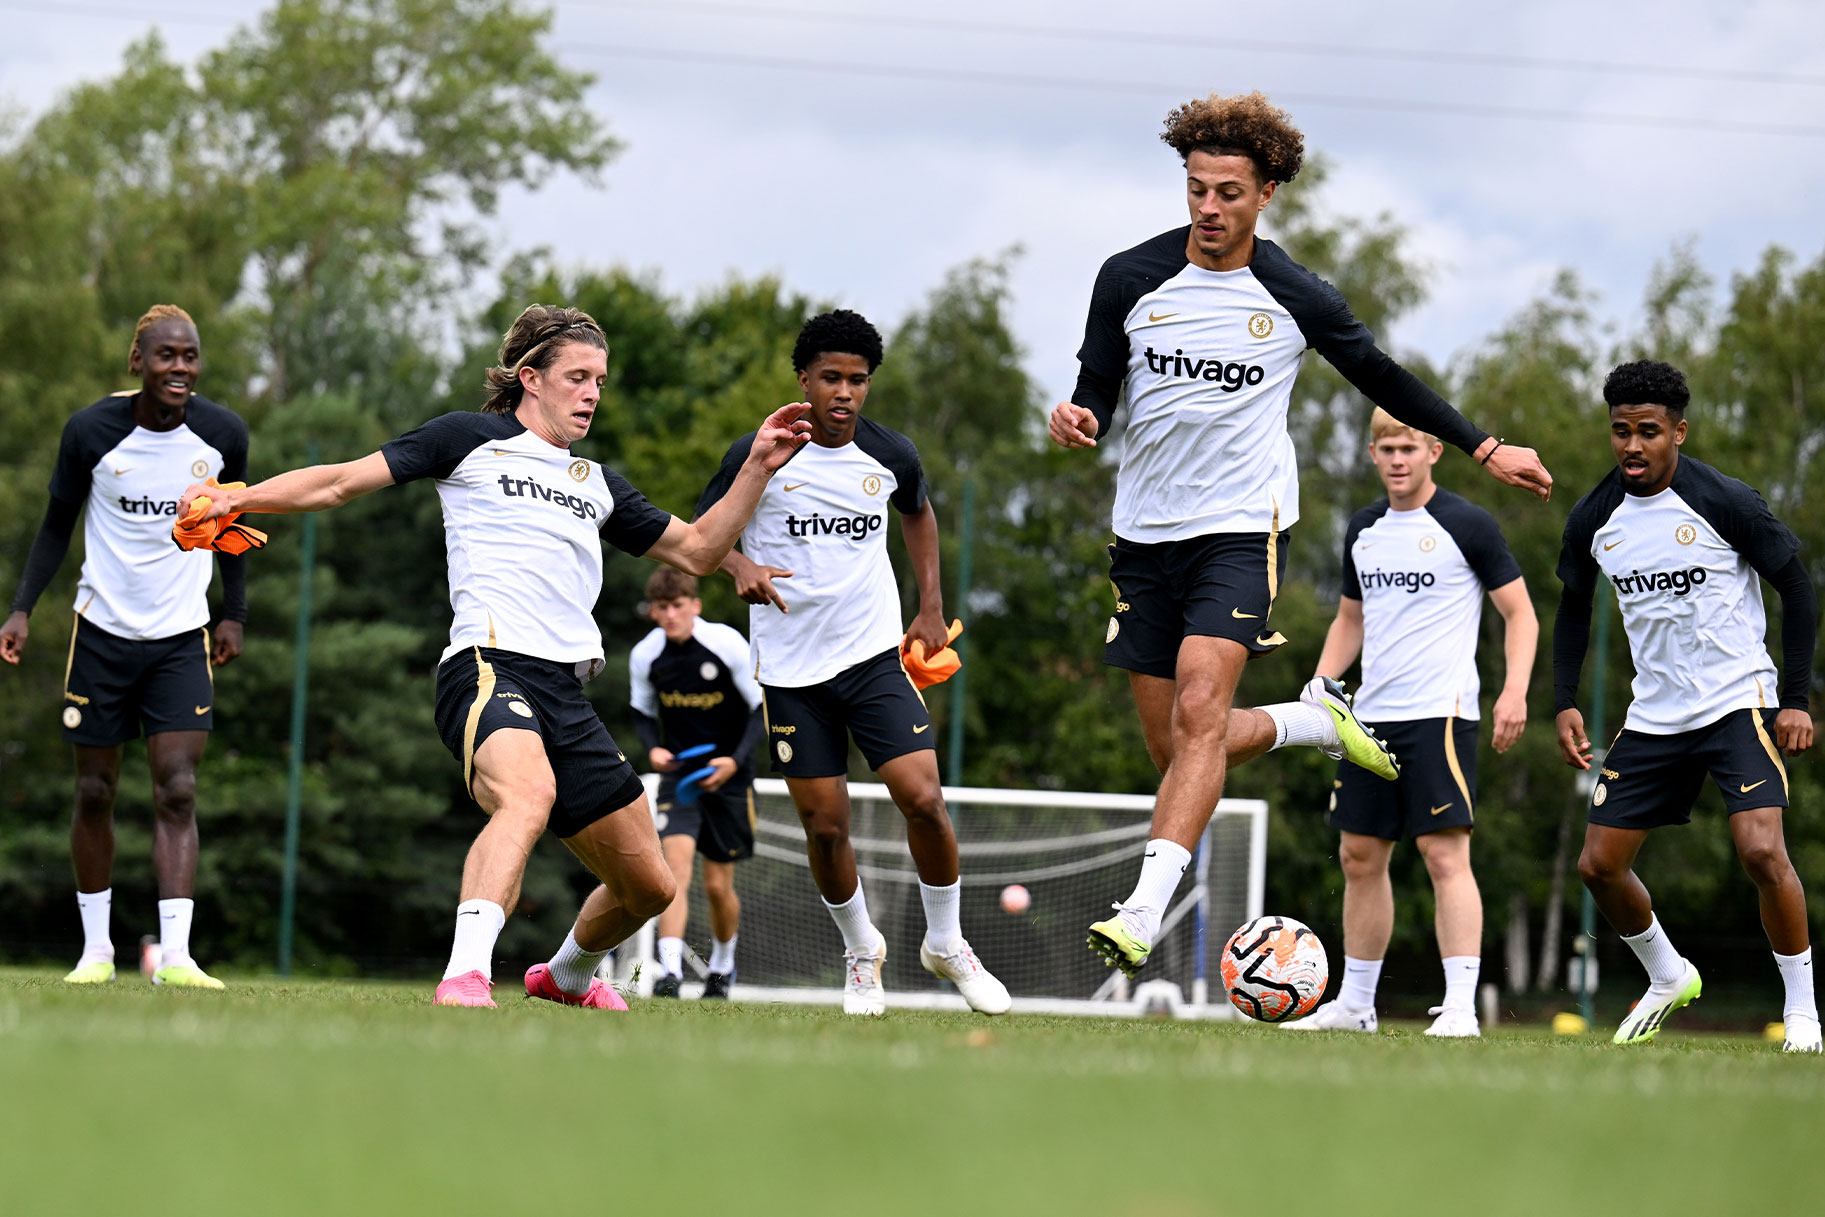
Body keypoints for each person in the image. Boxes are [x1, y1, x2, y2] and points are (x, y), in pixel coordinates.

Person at [1049, 91, 1555, 978]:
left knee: (1201, 714)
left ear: (1268, 191)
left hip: (1240, 529)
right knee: (1175, 747)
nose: (1209, 209)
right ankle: (1305, 721)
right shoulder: (1127, 276)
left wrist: (1483, 446)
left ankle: (1140, 910)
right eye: (1197, 190)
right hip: (1141, 537)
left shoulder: (1293, 294)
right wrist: (1079, 415)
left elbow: (1382, 376)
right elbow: (1097, 381)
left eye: (1229, 193)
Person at [177, 304, 811, 1008]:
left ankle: (565, 975)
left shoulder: (596, 483)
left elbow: (696, 549)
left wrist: (755, 467)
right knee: (527, 794)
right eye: (577, 376)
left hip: (567, 692)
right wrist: (239, 496)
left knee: (651, 887)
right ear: (529, 378)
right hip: (488, 665)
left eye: (599, 379)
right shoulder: (467, 439)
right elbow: (339, 482)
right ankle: (466, 973)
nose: (592, 392)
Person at [700, 309, 1010, 1017]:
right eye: (830, 377)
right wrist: (739, 563)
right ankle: (860, 952)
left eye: (858, 380)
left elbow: (919, 513)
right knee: (827, 826)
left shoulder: (890, 453)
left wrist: (930, 606)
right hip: (789, 672)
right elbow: (698, 534)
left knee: (924, 799)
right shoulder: (760, 451)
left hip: (872, 660)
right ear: (803, 379)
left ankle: (946, 942)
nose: (844, 392)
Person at [1555, 360, 1819, 1051]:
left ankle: (1801, 1011)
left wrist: (1794, 699)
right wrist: (1561, 699)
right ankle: (1668, 974)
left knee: (1760, 849)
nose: (1632, 446)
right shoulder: (1593, 517)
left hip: (1738, 699)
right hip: (1655, 715)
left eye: (1647, 431)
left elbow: (1796, 585)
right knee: (1596, 866)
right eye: (1620, 432)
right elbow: (1573, 610)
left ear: (1678, 430)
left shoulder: (1724, 499)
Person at [2, 305, 248, 989]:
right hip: (102, 634)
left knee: (177, 788)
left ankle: (176, 957)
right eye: (166, 355)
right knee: (94, 789)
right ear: (137, 361)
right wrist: (22, 609)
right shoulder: (90, 432)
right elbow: (56, 525)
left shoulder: (223, 433)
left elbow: (235, 526)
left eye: (190, 356)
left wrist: (234, 614)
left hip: (179, 638)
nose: (181, 368)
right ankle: (95, 951)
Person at [1284, 409, 1536, 1037]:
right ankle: (1356, 1006)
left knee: (1443, 855)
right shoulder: (1363, 528)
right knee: (1359, 855)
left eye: (1408, 448)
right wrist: (1321, 685)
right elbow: (1351, 619)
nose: (1397, 459)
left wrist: (1514, 694)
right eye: (1386, 448)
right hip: (1368, 720)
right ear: (1372, 454)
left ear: (1434, 453)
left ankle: (1458, 1010)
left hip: (1442, 714)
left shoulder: (1467, 524)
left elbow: (1521, 615)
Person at [629, 567, 765, 999]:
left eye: (678, 606)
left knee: (717, 886)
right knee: (674, 872)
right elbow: (643, 712)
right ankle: (669, 975)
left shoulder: (726, 644)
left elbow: (758, 708)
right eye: (663, 608)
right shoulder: (646, 655)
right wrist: (653, 748)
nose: (671, 615)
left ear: (695, 606)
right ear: (654, 611)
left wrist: (734, 761)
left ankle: (722, 968)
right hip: (680, 779)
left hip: (728, 777)